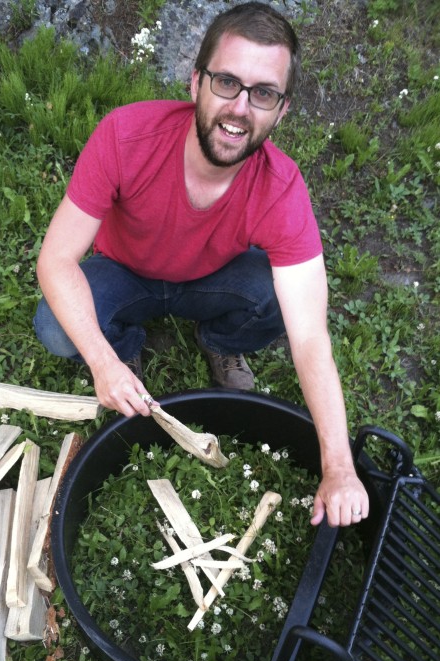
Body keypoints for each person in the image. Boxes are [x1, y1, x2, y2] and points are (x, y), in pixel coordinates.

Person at [34, 1, 369, 528]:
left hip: (212, 280)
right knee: (57, 326)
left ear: (281, 110)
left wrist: (339, 466)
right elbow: (56, 259)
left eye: (263, 94)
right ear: (196, 84)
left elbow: (309, 338)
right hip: (127, 275)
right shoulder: (126, 137)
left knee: (275, 296)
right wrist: (102, 362)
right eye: (227, 83)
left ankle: (220, 344)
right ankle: (127, 355)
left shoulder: (282, 188)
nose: (239, 108)